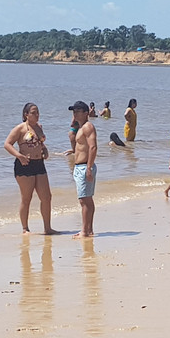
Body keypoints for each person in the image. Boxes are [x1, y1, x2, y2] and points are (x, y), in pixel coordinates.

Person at [3, 103, 55, 234]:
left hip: (39, 163)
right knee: (27, 198)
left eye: (38, 112)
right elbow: (7, 144)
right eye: (33, 112)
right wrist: (19, 156)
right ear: (26, 114)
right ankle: (25, 228)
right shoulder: (20, 129)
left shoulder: (39, 127)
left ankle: (47, 228)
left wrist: (45, 150)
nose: (37, 115)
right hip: (24, 165)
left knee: (46, 197)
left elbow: (40, 143)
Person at [69, 101, 98, 237]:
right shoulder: (80, 128)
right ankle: (89, 229)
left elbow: (93, 147)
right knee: (86, 199)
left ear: (86, 113)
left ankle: (85, 231)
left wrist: (89, 167)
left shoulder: (88, 127)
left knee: (85, 200)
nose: (75, 114)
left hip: (85, 166)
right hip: (80, 166)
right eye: (73, 111)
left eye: (77, 111)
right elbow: (74, 139)